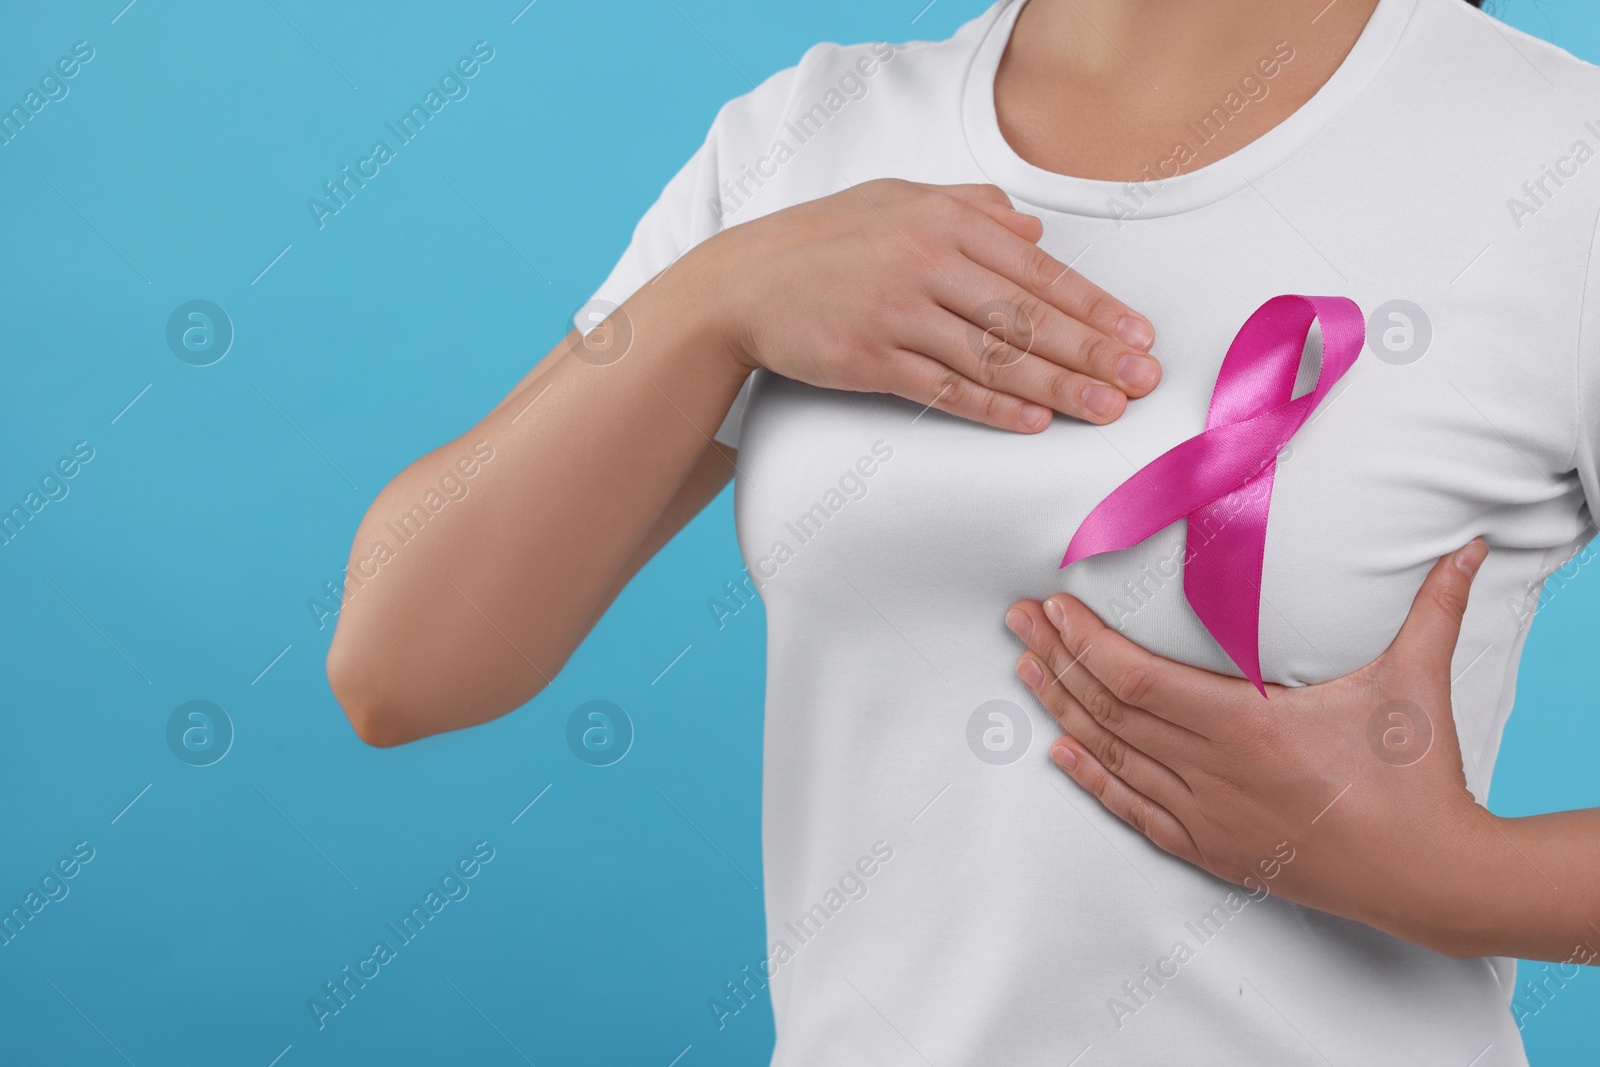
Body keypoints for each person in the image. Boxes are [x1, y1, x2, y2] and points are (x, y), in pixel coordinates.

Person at [326, 0, 1600, 1061]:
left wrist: (1447, 878)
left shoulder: (1561, 167)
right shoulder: (809, 139)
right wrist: (712, 303)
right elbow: (402, 666)